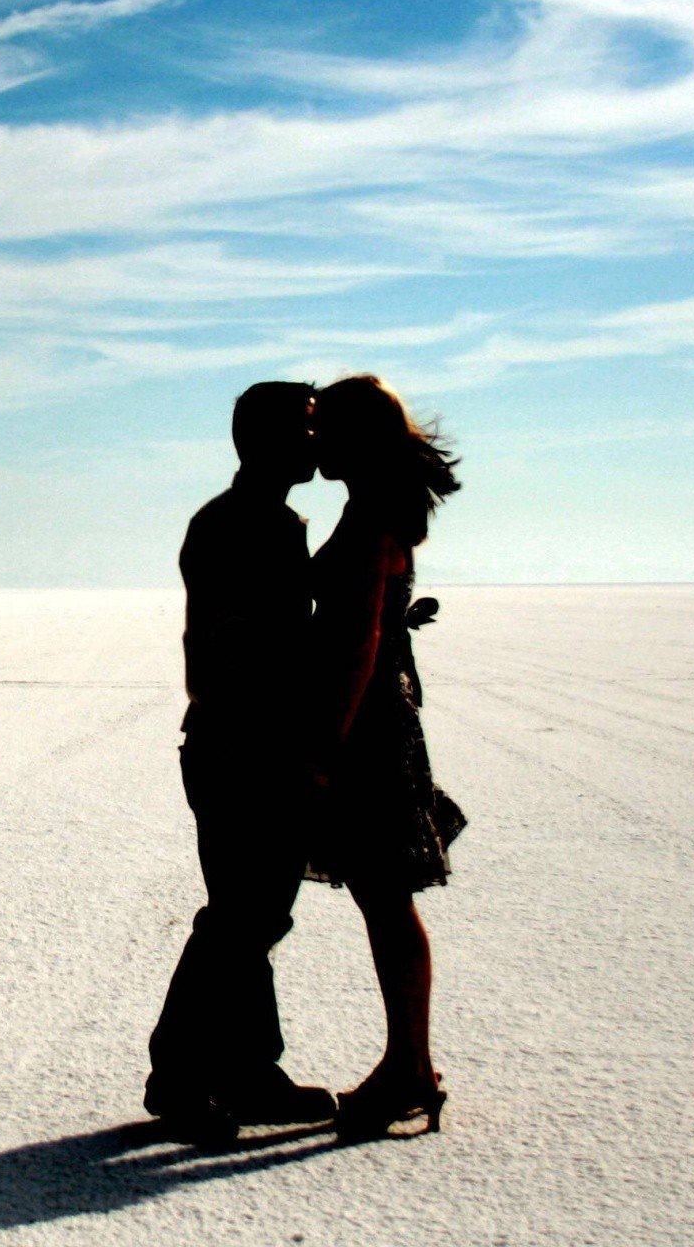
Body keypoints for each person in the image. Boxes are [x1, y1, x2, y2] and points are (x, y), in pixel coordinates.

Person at [144, 381, 338, 1137]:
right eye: (308, 428)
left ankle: (250, 1070)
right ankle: (180, 1077)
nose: (317, 443)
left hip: (251, 740)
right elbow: (234, 645)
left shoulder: (266, 520)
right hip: (241, 745)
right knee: (240, 917)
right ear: (268, 440)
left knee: (255, 916)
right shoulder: (239, 524)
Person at [305, 374, 466, 1138]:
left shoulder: (371, 514)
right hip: (379, 718)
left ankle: (409, 1067)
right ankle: (410, 1064)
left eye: (322, 428)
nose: (313, 441)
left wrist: (326, 748)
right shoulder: (372, 503)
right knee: (383, 897)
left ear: (354, 437)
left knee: (386, 896)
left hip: (368, 726)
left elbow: (360, 643)